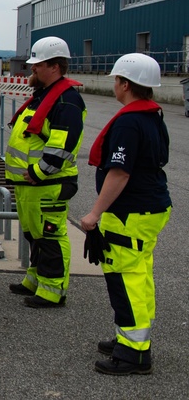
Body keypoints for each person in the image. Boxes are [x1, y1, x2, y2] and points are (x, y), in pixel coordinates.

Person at [79, 54, 171, 375]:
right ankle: (134, 338)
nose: (115, 86)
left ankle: (133, 353)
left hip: (131, 211)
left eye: (117, 81)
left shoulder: (130, 122)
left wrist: (94, 214)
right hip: (152, 206)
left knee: (124, 278)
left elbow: (119, 173)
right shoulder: (153, 116)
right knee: (141, 274)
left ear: (126, 84)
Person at [5, 36, 86, 308]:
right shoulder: (46, 96)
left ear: (54, 66)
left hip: (47, 183)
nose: (32, 70)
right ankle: (35, 279)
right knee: (34, 234)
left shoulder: (67, 101)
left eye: (37, 65)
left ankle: (52, 291)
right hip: (31, 184)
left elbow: (62, 145)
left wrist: (40, 171)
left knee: (50, 236)